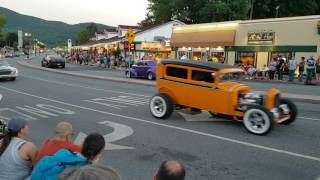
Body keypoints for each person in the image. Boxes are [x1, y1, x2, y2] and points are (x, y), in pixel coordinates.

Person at [31, 133, 105, 180]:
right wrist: (93, 166)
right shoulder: (88, 172)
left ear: (82, 144)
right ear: (99, 152)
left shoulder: (63, 152)